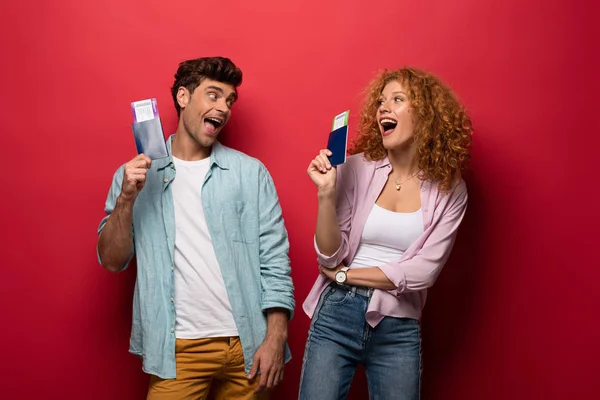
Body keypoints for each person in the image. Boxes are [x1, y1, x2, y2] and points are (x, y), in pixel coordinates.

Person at [96, 57, 295, 400]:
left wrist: (276, 337)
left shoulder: (251, 174)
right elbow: (112, 260)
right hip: (176, 350)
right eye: (214, 95)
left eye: (230, 100)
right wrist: (128, 198)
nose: (225, 107)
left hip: (246, 345)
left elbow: (275, 260)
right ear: (184, 97)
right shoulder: (135, 176)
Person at [299, 67, 473, 400]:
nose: (383, 108)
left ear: (425, 114)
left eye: (397, 99)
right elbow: (329, 255)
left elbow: (423, 272)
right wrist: (325, 193)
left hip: (399, 325)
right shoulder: (356, 168)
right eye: (381, 101)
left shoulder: (450, 190)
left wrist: (345, 277)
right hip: (337, 313)